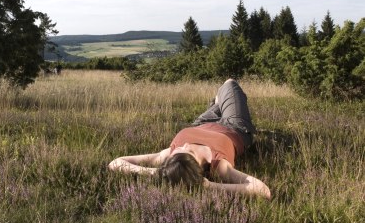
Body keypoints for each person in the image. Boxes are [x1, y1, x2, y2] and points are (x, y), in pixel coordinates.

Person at [108, 79, 271, 200]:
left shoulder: (169, 156)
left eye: (180, 149)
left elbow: (115, 163)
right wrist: (209, 186)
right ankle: (219, 104)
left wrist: (154, 173)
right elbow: (263, 190)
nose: (184, 144)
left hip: (201, 124)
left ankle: (217, 104)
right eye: (189, 150)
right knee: (229, 84)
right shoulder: (219, 165)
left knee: (218, 101)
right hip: (233, 126)